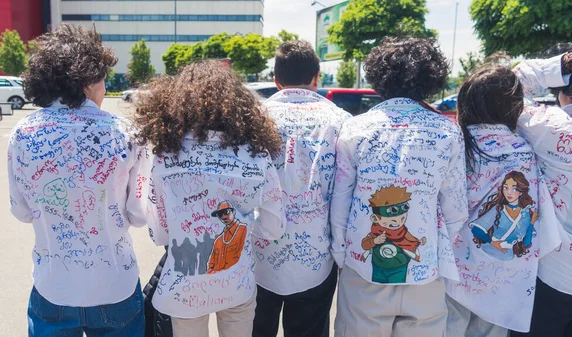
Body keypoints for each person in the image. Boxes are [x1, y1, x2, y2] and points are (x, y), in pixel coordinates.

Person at [8, 24, 151, 337]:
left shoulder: (23, 133)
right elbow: (139, 216)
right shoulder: (127, 133)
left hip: (54, 285)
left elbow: (20, 212)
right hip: (116, 284)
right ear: (89, 80)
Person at [329, 36, 469, 337]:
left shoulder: (356, 127)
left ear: (379, 78)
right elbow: (456, 211)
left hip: (363, 271)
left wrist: (342, 256)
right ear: (432, 79)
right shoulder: (448, 131)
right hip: (424, 275)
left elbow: (340, 201)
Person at [135, 60, 285, 337]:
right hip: (236, 281)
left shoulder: (166, 156)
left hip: (184, 287)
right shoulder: (256, 154)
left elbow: (159, 233)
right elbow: (274, 226)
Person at [444, 62, 560, 337]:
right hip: (503, 278)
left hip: (454, 270)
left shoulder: (457, 142)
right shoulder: (524, 149)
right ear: (515, 106)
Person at [251, 40, 351, 337]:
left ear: (276, 79)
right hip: (317, 256)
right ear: (316, 77)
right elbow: (344, 193)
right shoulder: (340, 120)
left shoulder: (253, 118)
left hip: (259, 253)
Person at [509, 45, 572, 337]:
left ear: (567, 94)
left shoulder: (553, 126)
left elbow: (505, 85)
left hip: (554, 277)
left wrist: (568, 61)